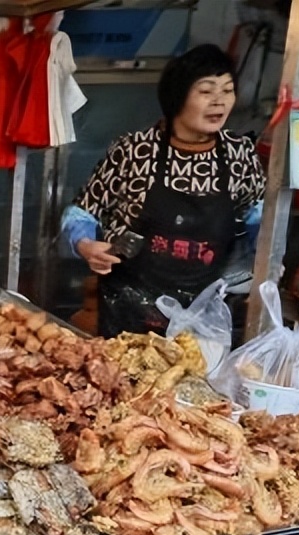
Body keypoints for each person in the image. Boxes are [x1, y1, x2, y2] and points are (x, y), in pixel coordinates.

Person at [61, 44, 266, 337]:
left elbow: (259, 216)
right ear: (177, 97)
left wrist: (268, 258)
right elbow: (82, 212)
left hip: (204, 317)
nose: (219, 101)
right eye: (206, 91)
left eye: (228, 90)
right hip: (128, 312)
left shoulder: (239, 153)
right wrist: (85, 245)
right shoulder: (134, 151)